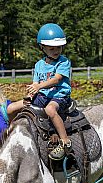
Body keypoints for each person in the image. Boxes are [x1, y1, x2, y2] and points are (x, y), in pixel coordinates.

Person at [26, 23, 72, 160]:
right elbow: (35, 83)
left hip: (59, 95)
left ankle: (65, 141)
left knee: (50, 110)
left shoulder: (63, 62)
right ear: (42, 47)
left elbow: (56, 80)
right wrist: (30, 93)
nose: (56, 51)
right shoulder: (38, 65)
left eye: (59, 47)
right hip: (43, 95)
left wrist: (39, 87)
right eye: (52, 48)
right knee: (23, 108)